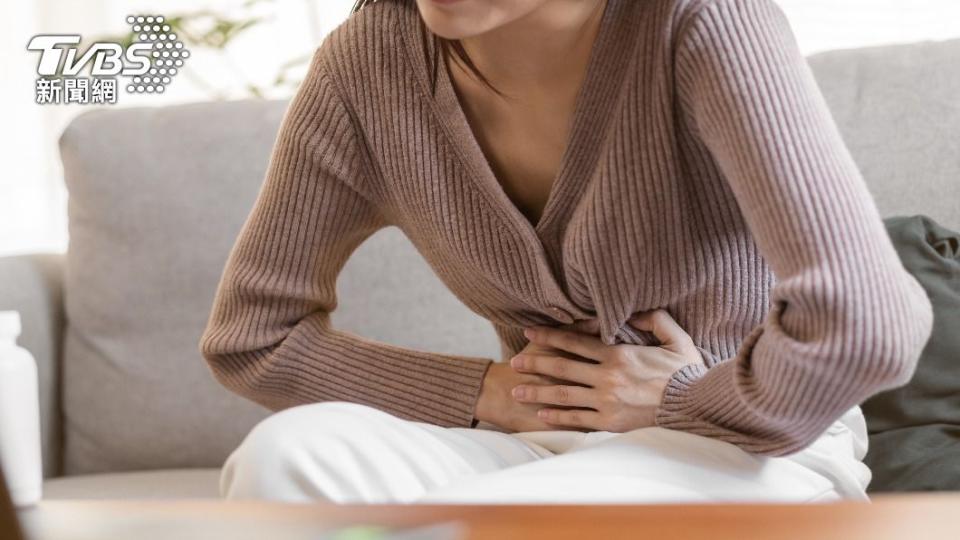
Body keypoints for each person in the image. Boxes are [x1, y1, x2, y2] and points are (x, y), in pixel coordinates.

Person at [199, 0, 934, 503]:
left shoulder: (700, 22)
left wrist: (681, 400)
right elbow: (253, 339)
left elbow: (868, 322)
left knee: (502, 519)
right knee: (286, 459)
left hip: (753, 451)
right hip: (543, 445)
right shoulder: (367, 68)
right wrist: (495, 394)